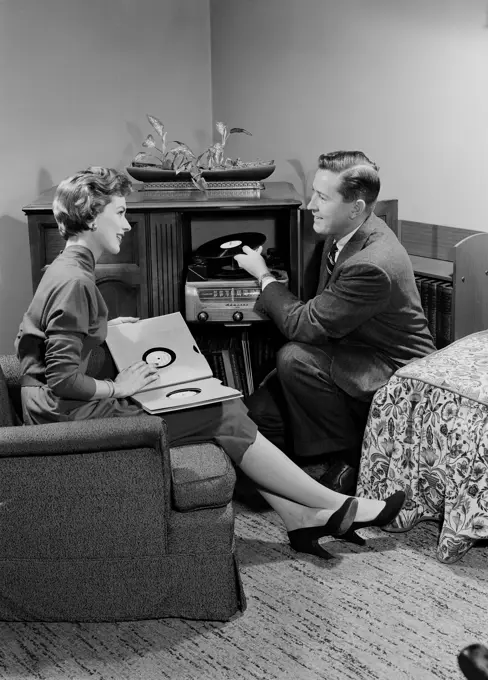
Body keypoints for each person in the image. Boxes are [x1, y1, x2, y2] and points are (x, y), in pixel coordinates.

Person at [15, 166, 406, 557]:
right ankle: (332, 505)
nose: (127, 225)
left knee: (227, 409)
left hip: (63, 409)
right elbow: (63, 379)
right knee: (223, 412)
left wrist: (104, 327)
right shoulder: (75, 282)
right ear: (92, 215)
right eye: (119, 213)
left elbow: (47, 338)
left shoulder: (67, 269)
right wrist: (121, 387)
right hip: (66, 418)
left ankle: (301, 519)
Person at [235, 150, 436, 494]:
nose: (310, 204)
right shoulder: (343, 230)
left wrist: (264, 276)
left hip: (392, 371)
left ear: (355, 207)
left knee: (293, 358)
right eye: (314, 192)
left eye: (322, 197)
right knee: (256, 417)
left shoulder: (372, 263)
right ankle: (299, 468)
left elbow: (304, 325)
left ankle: (351, 460)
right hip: (348, 353)